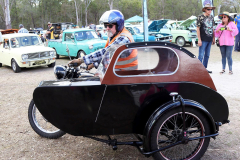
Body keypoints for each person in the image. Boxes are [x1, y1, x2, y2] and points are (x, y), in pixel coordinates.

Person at [69, 10, 138, 71]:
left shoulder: (124, 38)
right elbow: (107, 57)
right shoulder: (114, 36)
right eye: (105, 25)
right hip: (117, 75)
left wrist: (81, 60)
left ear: (119, 25)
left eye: (110, 26)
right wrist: (92, 64)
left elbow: (106, 52)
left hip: (125, 77)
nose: (107, 28)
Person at [196, 3, 215, 73]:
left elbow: (213, 28)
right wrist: (199, 39)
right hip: (203, 39)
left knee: (207, 55)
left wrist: (213, 38)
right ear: (205, 10)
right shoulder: (200, 17)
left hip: (209, 39)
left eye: (211, 9)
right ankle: (199, 70)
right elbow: (197, 28)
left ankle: (204, 69)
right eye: (208, 9)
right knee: (201, 55)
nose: (210, 10)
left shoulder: (212, 17)